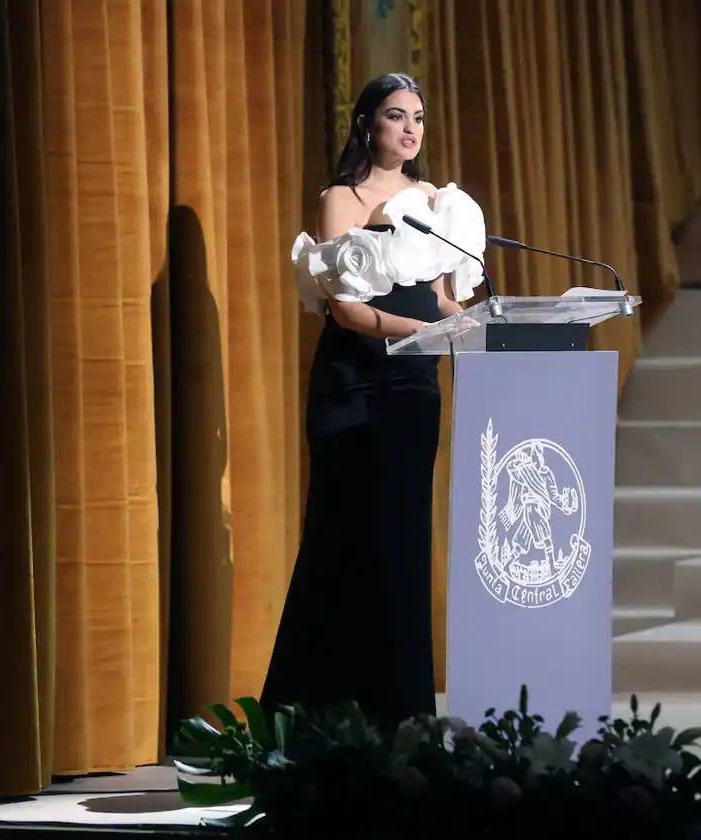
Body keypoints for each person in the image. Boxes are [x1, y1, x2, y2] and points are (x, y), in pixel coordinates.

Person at [261, 73, 486, 727]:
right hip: (352, 383)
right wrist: (420, 331)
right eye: (396, 115)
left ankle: (400, 720)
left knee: (403, 542)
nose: (412, 129)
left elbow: (444, 298)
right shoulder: (342, 198)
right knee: (343, 541)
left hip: (414, 388)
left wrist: (475, 321)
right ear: (367, 126)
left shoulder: (438, 203)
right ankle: (314, 720)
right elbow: (349, 308)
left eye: (418, 117)